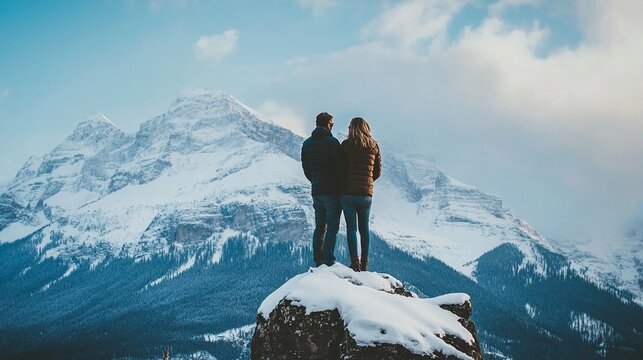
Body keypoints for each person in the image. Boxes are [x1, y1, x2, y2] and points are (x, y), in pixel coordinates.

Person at [301, 112, 344, 266]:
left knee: (320, 227)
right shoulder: (332, 143)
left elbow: (306, 169)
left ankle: (318, 259)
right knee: (332, 226)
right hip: (332, 191)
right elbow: (339, 167)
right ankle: (328, 259)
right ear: (328, 124)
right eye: (332, 123)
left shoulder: (307, 144)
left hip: (316, 190)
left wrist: (316, 181)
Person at [340, 117, 381, 272]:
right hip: (366, 195)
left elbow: (341, 168)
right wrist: (368, 182)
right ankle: (365, 264)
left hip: (348, 193)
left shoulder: (346, 145)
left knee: (351, 228)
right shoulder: (374, 146)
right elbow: (377, 171)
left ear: (352, 128)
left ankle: (354, 263)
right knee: (364, 228)